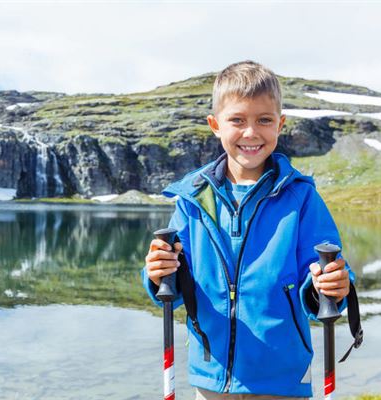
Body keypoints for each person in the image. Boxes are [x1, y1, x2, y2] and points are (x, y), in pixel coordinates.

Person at [142, 60, 353, 399]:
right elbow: (174, 280)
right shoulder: (193, 199)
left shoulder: (300, 197)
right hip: (211, 377)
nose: (251, 133)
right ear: (215, 125)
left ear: (280, 125)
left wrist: (333, 286)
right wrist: (157, 273)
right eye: (237, 120)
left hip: (281, 378)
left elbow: (324, 275)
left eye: (264, 120)